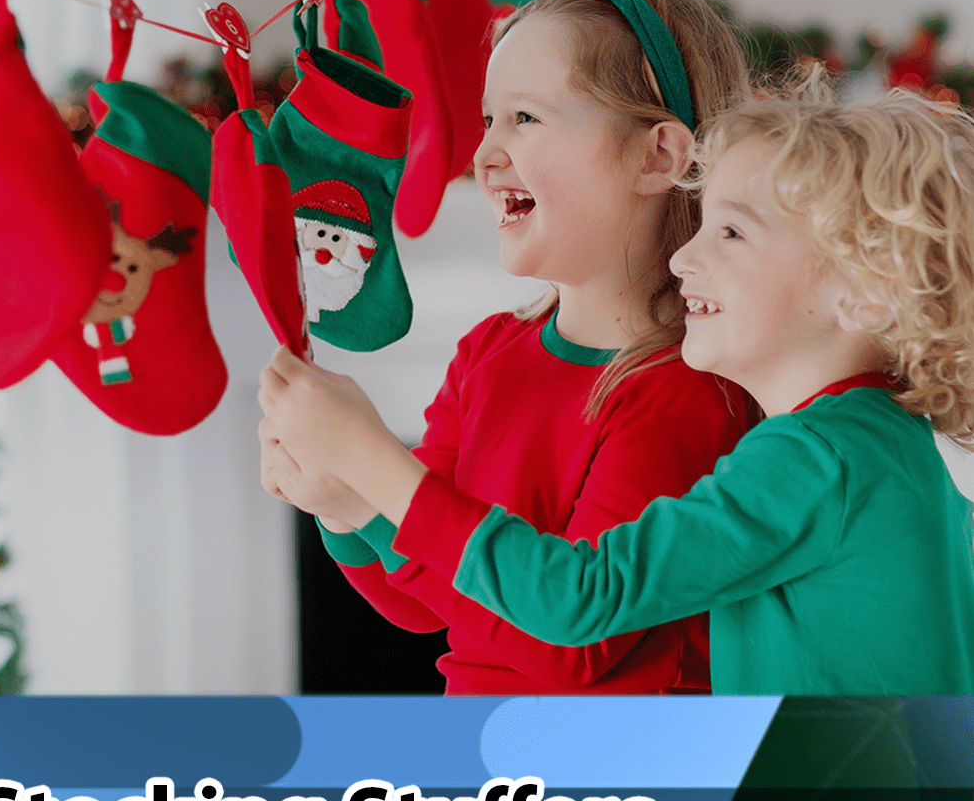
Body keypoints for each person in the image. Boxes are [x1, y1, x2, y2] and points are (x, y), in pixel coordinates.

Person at [261, 81, 974, 695]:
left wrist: (368, 456)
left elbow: (583, 598)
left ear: (865, 285)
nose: (684, 254)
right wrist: (353, 502)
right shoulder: (877, 441)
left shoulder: (816, 455)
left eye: (730, 232)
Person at [262, 0, 758, 693]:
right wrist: (342, 502)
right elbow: (420, 598)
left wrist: (372, 463)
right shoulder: (487, 353)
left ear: (656, 156)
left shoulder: (684, 390)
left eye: (524, 118)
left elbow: (570, 645)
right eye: (488, 118)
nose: (484, 152)